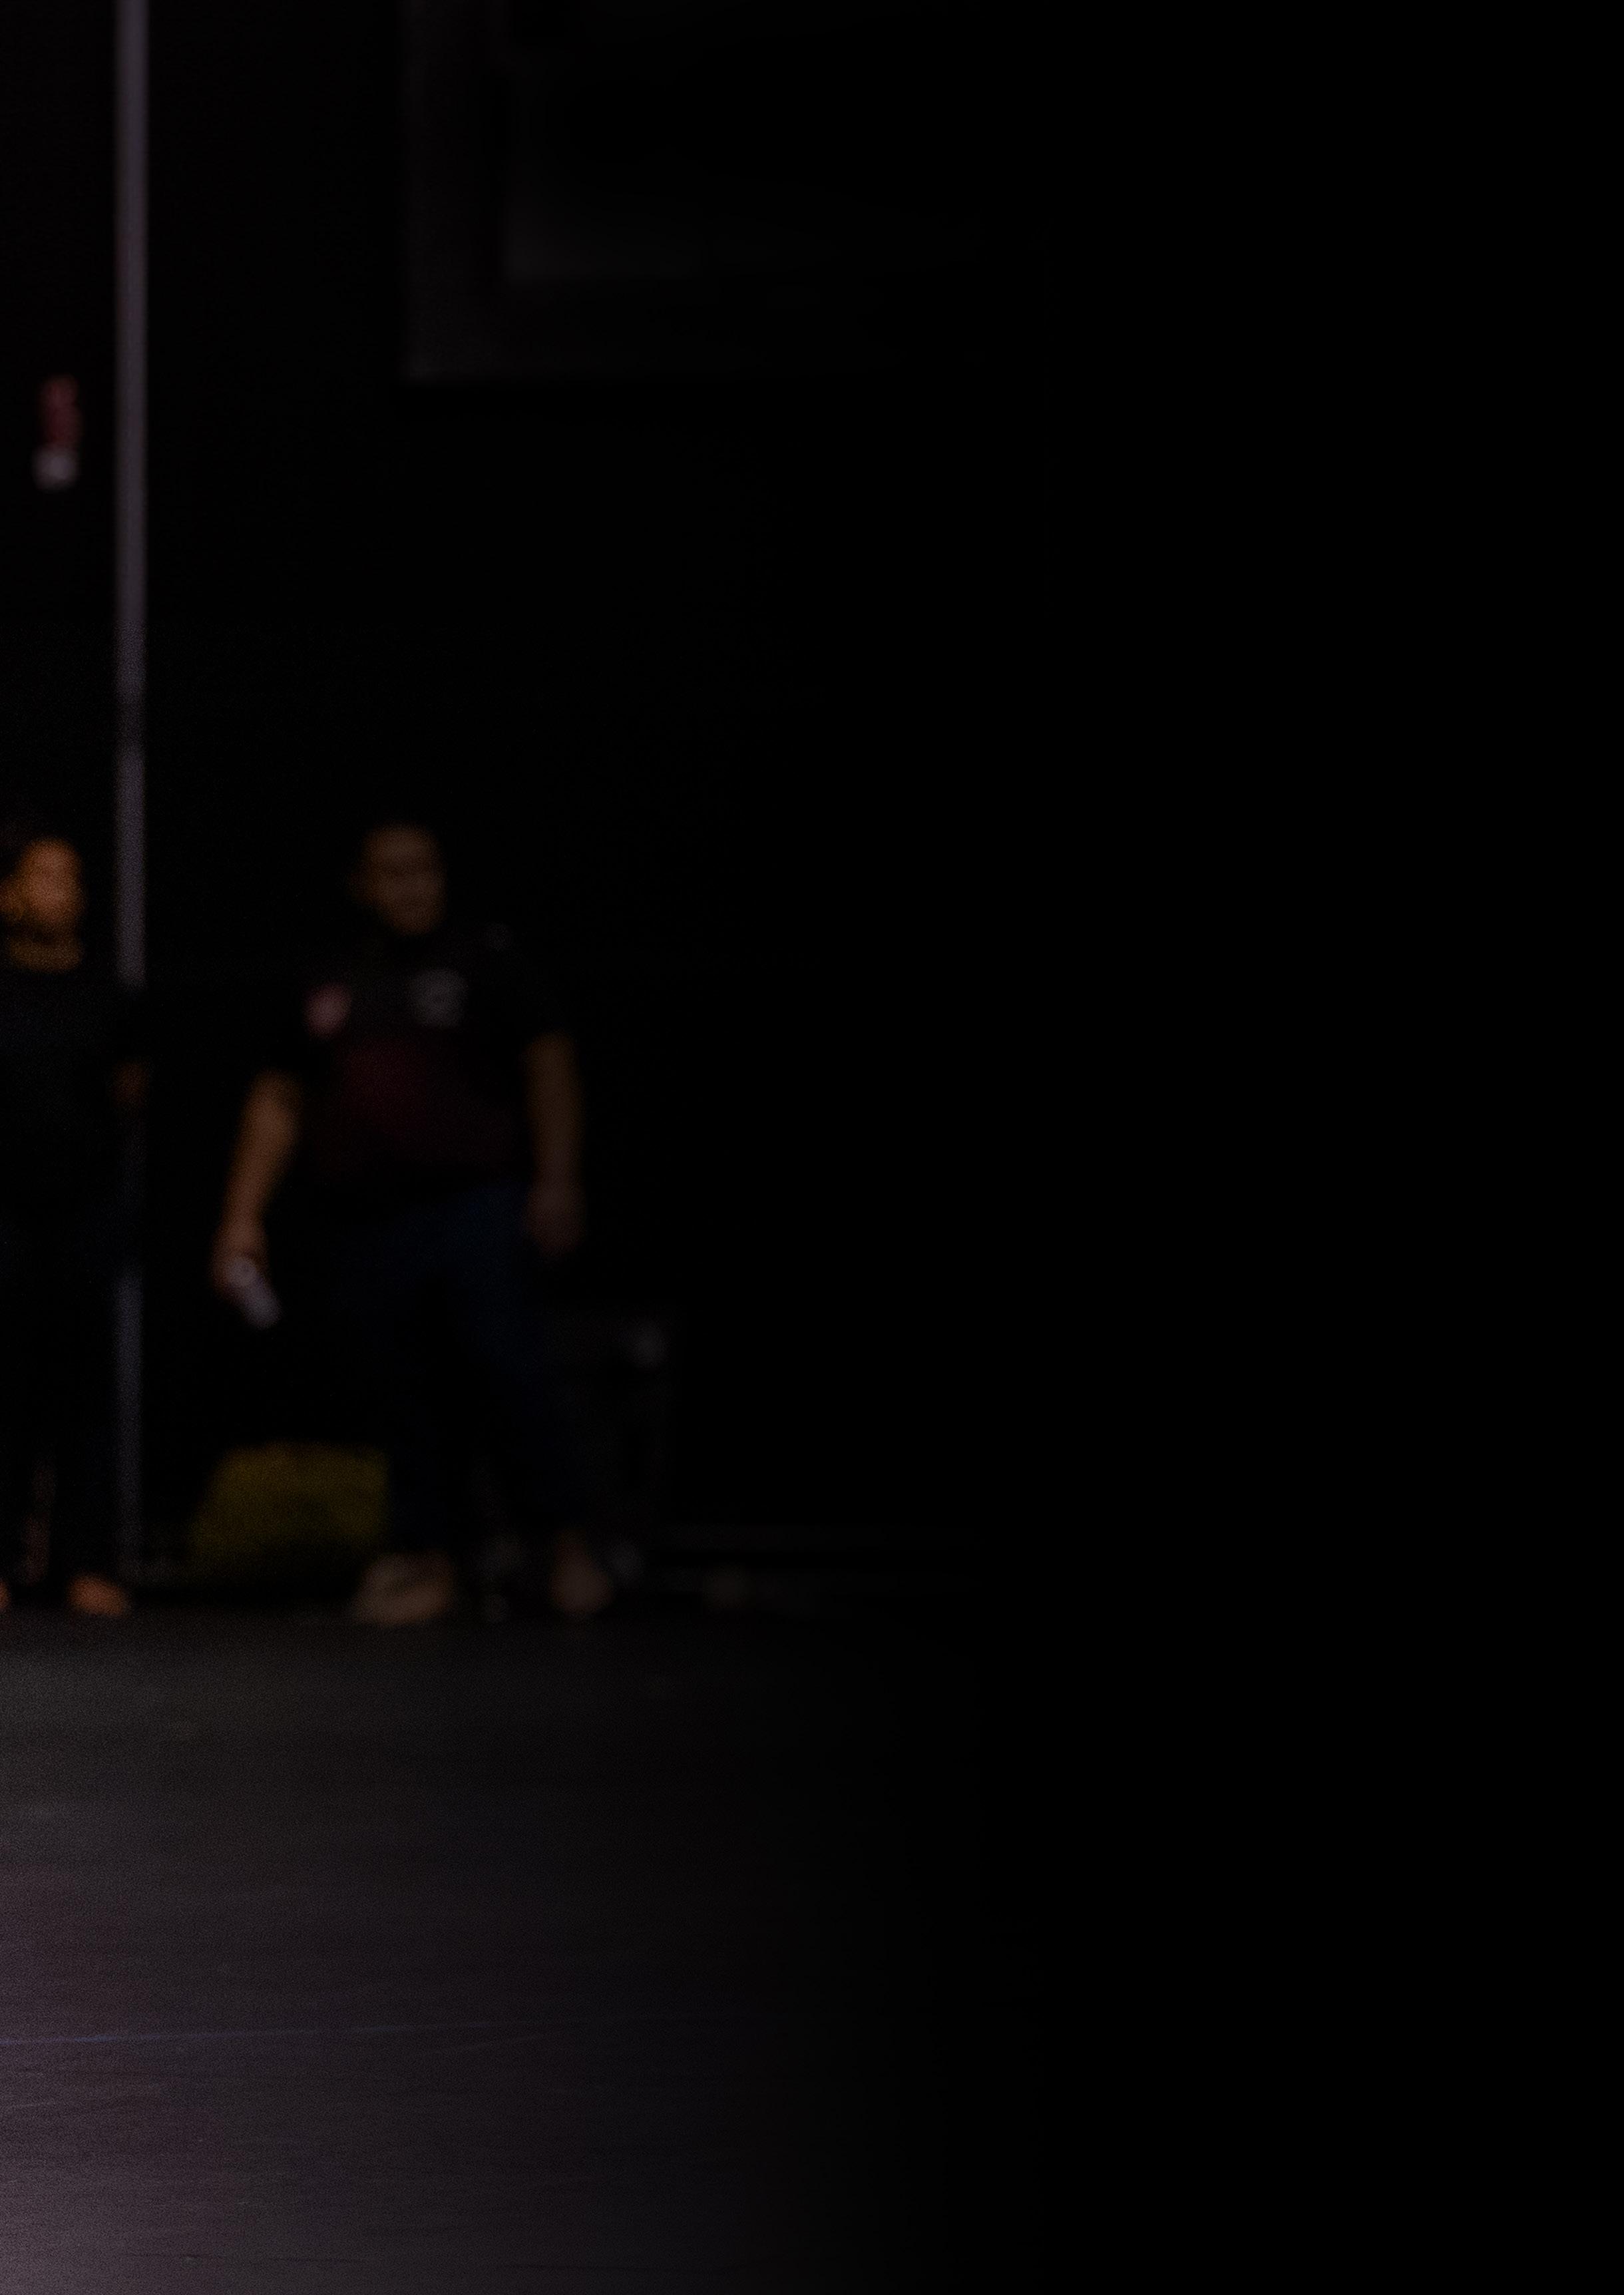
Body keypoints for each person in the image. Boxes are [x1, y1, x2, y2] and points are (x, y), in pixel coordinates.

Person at [210, 819, 612, 1624]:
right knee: (402, 1388)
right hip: (369, 1217)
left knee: (508, 1368)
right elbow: (280, 1096)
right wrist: (241, 1216)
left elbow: (548, 1060)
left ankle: (564, 1543)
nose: (411, 887)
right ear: (362, 885)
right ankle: (429, 1557)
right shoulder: (334, 979)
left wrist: (558, 1178)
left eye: (423, 870)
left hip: (476, 1206)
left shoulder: (482, 961)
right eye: (392, 873)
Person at [0, 825, 143, 1617]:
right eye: (42, 876)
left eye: (70, 877)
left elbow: (129, 1092)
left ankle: (87, 1561)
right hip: (6, 1215)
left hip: (84, 1211)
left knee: (86, 1389)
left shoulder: (106, 995)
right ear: (10, 893)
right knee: (6, 1384)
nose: (58, 891)